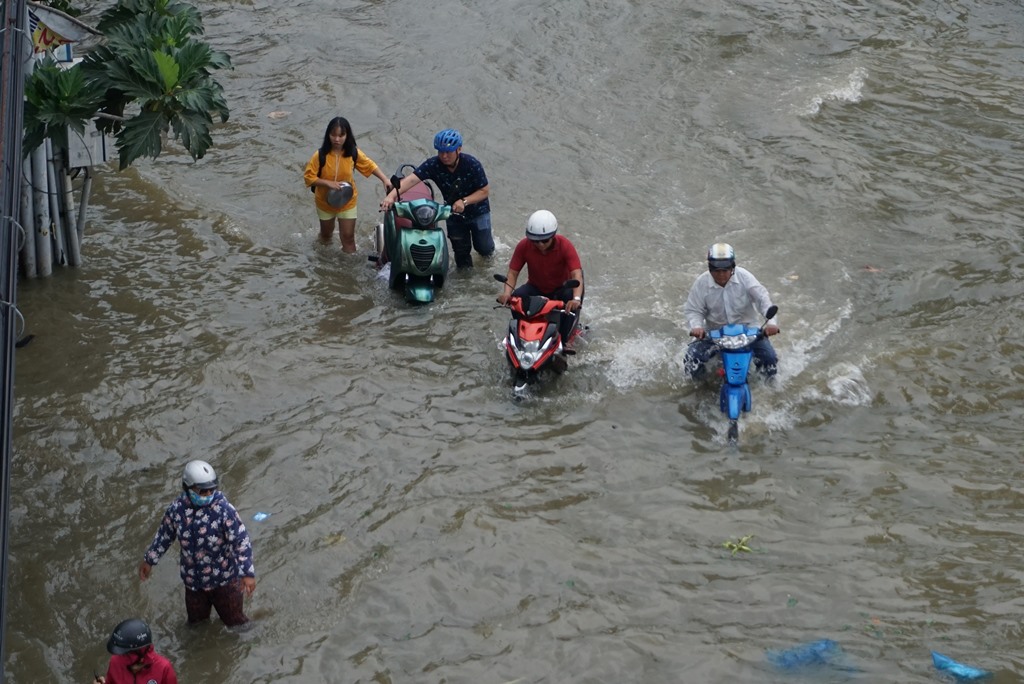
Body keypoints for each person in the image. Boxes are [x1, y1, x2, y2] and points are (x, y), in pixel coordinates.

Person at [138, 460, 256, 627]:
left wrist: (247, 573)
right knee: (196, 625)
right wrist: (149, 560)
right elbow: (164, 535)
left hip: (225, 580)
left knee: (237, 623)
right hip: (194, 583)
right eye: (202, 491)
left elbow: (241, 541)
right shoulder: (177, 510)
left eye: (211, 489)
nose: (208, 494)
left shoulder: (223, 510)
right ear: (188, 488)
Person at [380, 128, 492, 268]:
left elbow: (484, 191)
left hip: (478, 212)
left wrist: (464, 201)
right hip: (452, 212)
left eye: (448, 152)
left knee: (485, 249)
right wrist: (391, 196)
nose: (444, 156)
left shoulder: (472, 164)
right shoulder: (433, 164)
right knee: (461, 255)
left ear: (459, 149)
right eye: (440, 151)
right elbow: (411, 180)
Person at [683, 242, 780, 379]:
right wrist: (697, 327)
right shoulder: (701, 283)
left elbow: (762, 300)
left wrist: (771, 323)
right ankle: (701, 387)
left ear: (732, 268)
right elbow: (694, 310)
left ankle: (768, 389)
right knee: (691, 360)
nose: (721, 274)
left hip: (748, 332)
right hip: (715, 334)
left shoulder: (745, 277)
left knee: (769, 359)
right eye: (716, 270)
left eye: (725, 270)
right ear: (710, 268)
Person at [304, 116, 392, 253]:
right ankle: (322, 260)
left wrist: (385, 179)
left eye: (341, 135)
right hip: (324, 202)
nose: (337, 139)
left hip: (347, 200)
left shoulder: (353, 153)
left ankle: (349, 268)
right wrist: (328, 183)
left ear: (347, 135)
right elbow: (309, 178)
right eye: (333, 135)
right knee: (326, 236)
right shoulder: (320, 155)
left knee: (348, 238)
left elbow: (369, 165)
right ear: (328, 135)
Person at [495, 210, 584, 343]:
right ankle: (521, 337)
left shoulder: (565, 245)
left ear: (553, 236)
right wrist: (507, 294)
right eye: (535, 241)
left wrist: (576, 299)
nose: (540, 245)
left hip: (563, 288)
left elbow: (576, 273)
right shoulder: (523, 246)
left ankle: (565, 341)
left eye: (544, 240)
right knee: (517, 297)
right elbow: (513, 273)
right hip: (536, 287)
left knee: (568, 301)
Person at [94, 618, 177, 684]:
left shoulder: (164, 668)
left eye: (128, 654)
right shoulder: (115, 661)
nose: (123, 657)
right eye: (123, 653)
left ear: (141, 653)